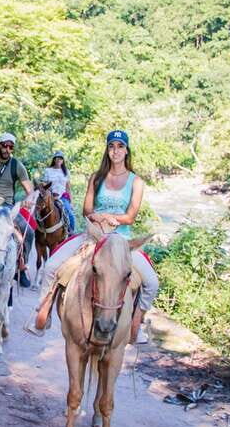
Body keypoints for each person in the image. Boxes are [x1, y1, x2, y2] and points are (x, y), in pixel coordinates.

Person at [35, 130, 159, 344]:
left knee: (152, 282)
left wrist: (111, 218)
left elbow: (130, 216)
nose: (116, 151)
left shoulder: (135, 181)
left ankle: (136, 322)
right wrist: (97, 217)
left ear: (126, 150)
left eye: (120, 146)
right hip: (93, 235)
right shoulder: (97, 177)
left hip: (121, 239)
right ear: (107, 150)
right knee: (50, 267)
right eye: (112, 146)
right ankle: (43, 312)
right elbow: (86, 209)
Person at [41, 150, 76, 234]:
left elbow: (68, 188)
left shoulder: (66, 171)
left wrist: (71, 202)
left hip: (63, 196)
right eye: (57, 158)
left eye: (61, 158)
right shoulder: (48, 171)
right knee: (40, 210)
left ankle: (71, 233)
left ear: (63, 160)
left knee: (70, 213)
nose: (59, 160)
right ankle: (39, 230)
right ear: (54, 159)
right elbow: (44, 185)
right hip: (51, 196)